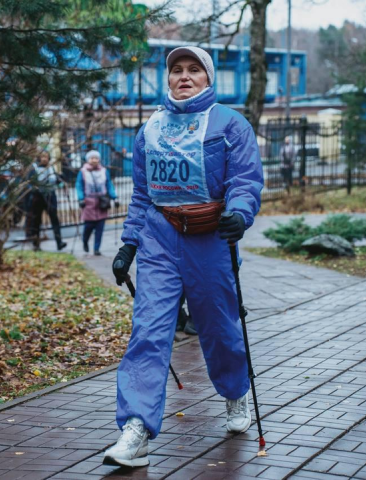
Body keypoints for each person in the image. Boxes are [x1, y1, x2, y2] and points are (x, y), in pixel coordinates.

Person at [104, 46, 263, 468]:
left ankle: (234, 393)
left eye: (195, 69)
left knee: (219, 329)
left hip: (209, 240)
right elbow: (142, 194)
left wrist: (239, 214)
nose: (185, 76)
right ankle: (135, 429)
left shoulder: (231, 125)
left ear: (208, 79)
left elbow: (245, 179)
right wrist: (129, 244)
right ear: (168, 79)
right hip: (160, 239)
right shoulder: (149, 130)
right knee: (149, 332)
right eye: (177, 70)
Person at [75, 149, 118, 256]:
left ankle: (96, 248)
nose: (94, 160)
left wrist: (114, 198)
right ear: (88, 159)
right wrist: (81, 198)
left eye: (96, 158)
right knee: (88, 227)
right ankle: (85, 241)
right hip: (88, 203)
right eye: (92, 158)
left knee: (100, 227)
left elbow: (109, 185)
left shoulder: (104, 171)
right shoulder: (83, 172)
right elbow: (79, 186)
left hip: (102, 203)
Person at [29, 151, 67, 251]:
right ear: (39, 158)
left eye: (46, 156)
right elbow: (29, 183)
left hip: (50, 196)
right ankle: (36, 244)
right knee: (36, 221)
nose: (44, 159)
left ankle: (59, 242)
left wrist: (61, 180)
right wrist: (35, 189)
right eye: (42, 156)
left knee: (55, 219)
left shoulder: (51, 168)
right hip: (38, 198)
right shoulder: (34, 169)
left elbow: (56, 180)